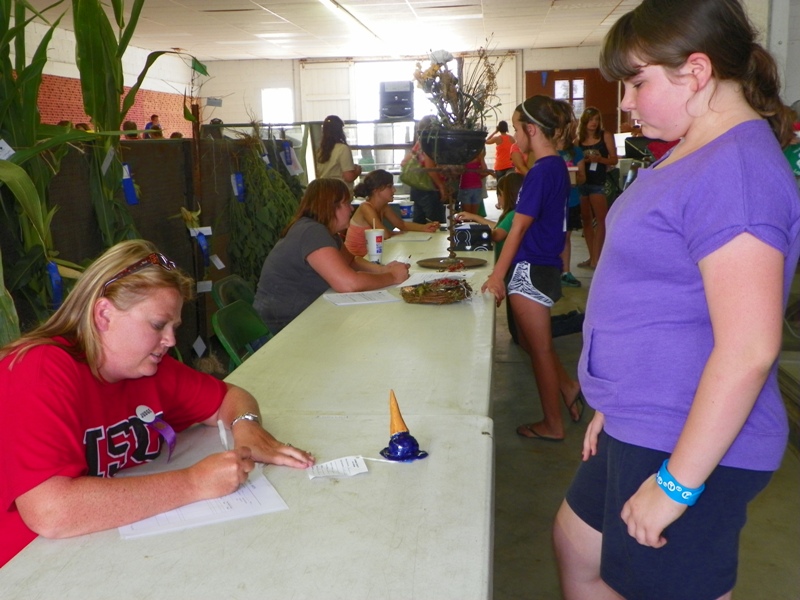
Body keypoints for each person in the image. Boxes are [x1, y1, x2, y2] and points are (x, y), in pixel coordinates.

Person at [552, 1, 800, 599]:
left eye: (637, 83)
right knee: (576, 544)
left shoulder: (736, 172)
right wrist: (617, 398)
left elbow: (748, 349)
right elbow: (662, 298)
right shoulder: (697, 150)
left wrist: (676, 485)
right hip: (647, 414)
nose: (626, 102)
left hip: (685, 435)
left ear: (695, 72)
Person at [0, 239, 315, 568]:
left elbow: (230, 397)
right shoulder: (37, 369)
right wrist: (193, 483)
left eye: (173, 327)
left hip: (100, 550)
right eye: (157, 325)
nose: (170, 340)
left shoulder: (146, 368)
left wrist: (246, 426)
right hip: (25, 567)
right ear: (104, 314)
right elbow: (51, 512)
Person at [482, 96, 584, 441]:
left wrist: (497, 276)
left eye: (516, 128)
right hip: (544, 264)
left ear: (531, 129)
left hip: (530, 267)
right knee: (530, 341)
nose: (514, 136)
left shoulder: (540, 172)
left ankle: (552, 425)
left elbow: (518, 227)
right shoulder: (555, 166)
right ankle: (567, 387)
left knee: (538, 349)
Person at [254, 178, 409, 335]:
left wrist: (382, 270)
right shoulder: (312, 232)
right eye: (346, 203)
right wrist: (392, 277)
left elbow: (351, 261)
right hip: (279, 329)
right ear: (331, 206)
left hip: (302, 317)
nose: (351, 209)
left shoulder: (325, 231)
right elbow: (348, 284)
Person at [457, 173, 524, 344]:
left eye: (499, 195)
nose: (498, 199)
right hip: (512, 269)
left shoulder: (513, 214)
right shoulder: (515, 214)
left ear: (507, 195)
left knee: (517, 324)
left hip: (512, 269)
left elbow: (497, 234)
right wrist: (475, 218)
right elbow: (498, 227)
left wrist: (473, 230)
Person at [344, 169, 438, 257]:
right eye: (389, 187)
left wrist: (424, 227)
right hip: (356, 259)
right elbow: (384, 234)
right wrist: (393, 233)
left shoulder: (384, 206)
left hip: (371, 256)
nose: (394, 190)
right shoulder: (365, 207)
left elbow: (402, 225)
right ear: (376, 190)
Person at [577, 107, 618, 269]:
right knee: (586, 220)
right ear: (584, 121)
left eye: (596, 120)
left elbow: (614, 159)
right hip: (582, 182)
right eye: (591, 120)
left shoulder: (604, 135)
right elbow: (575, 158)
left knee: (601, 219)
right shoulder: (578, 140)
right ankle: (592, 256)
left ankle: (597, 257)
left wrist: (599, 159)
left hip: (598, 182)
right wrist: (585, 161)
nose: (594, 123)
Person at [555, 103, 586, 288]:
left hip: (571, 199)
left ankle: (566, 271)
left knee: (566, 236)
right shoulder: (547, 150)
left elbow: (582, 177)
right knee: (552, 235)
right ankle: (552, 270)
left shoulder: (575, 151)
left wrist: (575, 178)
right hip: (552, 201)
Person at [402, 116, 448, 224]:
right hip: (429, 188)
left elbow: (404, 162)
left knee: (419, 221)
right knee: (435, 221)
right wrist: (441, 186)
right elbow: (429, 168)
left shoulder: (419, 143)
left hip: (416, 187)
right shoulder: (430, 143)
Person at [316, 115, 362, 196]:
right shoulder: (342, 148)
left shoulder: (321, 150)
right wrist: (357, 171)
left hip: (325, 191)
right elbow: (348, 177)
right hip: (340, 193)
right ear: (340, 130)